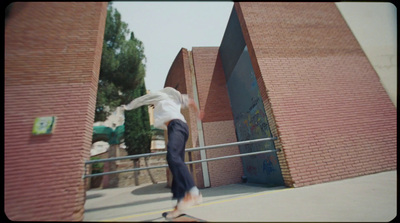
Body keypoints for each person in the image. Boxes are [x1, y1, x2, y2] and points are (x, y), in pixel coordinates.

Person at [120, 87, 204, 218]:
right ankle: (179, 207)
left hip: (177, 126)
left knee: (173, 157)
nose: (152, 106)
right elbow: (192, 102)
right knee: (176, 166)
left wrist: (127, 107)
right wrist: (198, 113)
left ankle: (193, 192)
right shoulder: (177, 99)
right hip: (179, 128)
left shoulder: (159, 96)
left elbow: (141, 100)